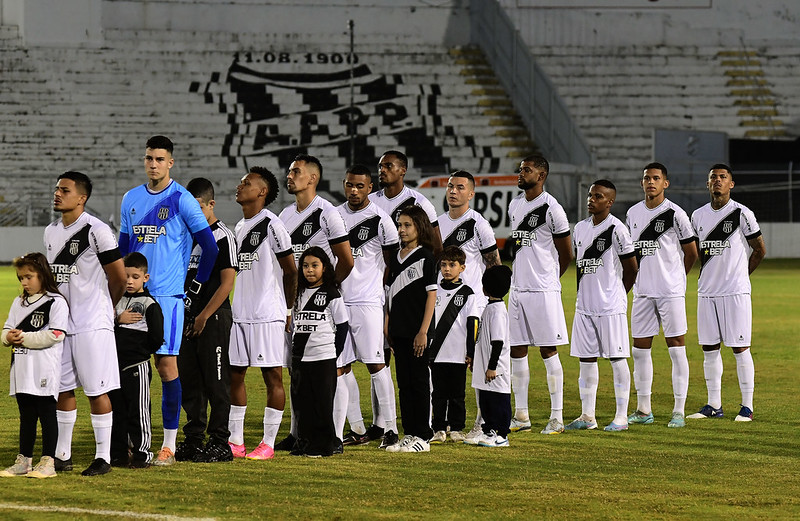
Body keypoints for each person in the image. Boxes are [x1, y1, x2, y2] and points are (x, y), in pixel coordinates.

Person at [118, 135, 219, 466]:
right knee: (130, 368)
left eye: (159, 159)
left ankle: (169, 446)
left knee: (166, 367)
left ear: (170, 162)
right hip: (134, 298)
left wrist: (193, 288)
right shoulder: (131, 199)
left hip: (167, 299)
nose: (153, 164)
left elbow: (210, 247)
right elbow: (121, 252)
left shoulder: (183, 199)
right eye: (149, 158)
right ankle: (132, 441)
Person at [45, 171, 127, 476]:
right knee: (62, 389)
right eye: (56, 189)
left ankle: (102, 457)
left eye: (64, 190)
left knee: (96, 390)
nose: (57, 194)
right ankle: (62, 455)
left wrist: (106, 308)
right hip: (63, 324)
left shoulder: (97, 230)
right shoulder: (51, 232)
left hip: (93, 323)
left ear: (82, 198)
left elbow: (118, 277)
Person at [276, 154, 354, 452]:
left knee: (334, 371)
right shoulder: (284, 216)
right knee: (298, 373)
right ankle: (298, 434)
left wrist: (326, 291)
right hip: (296, 304)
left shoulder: (327, 213)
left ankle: (332, 437)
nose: (290, 175)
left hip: (322, 305)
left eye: (296, 171)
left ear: (312, 178)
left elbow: (345, 260)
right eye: (290, 170)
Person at [228, 167, 297, 461]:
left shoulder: (272, 224)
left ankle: (268, 443)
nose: (240, 186)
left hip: (268, 313)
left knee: (273, 378)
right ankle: (236, 441)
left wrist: (289, 309)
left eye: (247, 183)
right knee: (234, 376)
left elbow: (290, 270)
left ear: (262, 191)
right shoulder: (238, 228)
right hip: (240, 313)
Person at [687, 164, 766, 422]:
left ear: (731, 184)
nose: (718, 181)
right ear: (707, 184)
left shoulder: (742, 213)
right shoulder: (697, 216)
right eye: (713, 178)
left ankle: (747, 406)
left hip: (735, 293)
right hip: (707, 292)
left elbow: (759, 250)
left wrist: (741, 277)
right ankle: (714, 405)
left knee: (740, 348)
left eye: (723, 177)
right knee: (709, 349)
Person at [625, 163, 698, 428]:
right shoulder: (632, 213)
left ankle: (678, 410)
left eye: (656, 178)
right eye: (647, 178)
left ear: (665, 183)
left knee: (677, 349)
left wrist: (677, 279)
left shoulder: (675, 213)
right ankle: (644, 409)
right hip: (643, 292)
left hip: (670, 292)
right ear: (642, 183)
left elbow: (691, 253)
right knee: (640, 350)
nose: (651, 182)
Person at [506, 156, 573, 437]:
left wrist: (548, 279)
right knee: (517, 350)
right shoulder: (515, 205)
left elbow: (566, 253)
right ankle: (521, 415)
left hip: (543, 291)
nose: (521, 174)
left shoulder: (552, 208)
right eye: (521, 169)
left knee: (548, 351)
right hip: (518, 289)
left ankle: (556, 417)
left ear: (542, 175)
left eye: (527, 170)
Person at [335, 164, 400, 447]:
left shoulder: (381, 220)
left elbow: (392, 263)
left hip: (368, 301)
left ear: (370, 188)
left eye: (360, 186)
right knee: (341, 367)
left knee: (376, 364)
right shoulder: (334, 215)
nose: (354, 190)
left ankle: (391, 429)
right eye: (350, 184)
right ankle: (359, 428)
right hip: (338, 301)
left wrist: (385, 301)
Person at [174, 178, 238, 464]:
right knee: (191, 382)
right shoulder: (186, 236)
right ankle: (194, 438)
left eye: (199, 206)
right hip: (188, 318)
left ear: (211, 204)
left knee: (217, 381)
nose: (194, 213)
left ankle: (221, 442)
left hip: (213, 318)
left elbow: (227, 283)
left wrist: (203, 316)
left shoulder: (223, 235)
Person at [566, 180, 638, 432]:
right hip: (584, 305)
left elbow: (631, 268)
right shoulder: (581, 228)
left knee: (617, 359)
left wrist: (617, 293)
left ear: (609, 202)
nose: (591, 200)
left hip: (610, 307)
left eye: (598, 196)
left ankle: (621, 417)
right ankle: (588, 416)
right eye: (589, 195)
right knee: (586, 360)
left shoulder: (617, 229)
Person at [437, 170, 500, 442]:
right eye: (450, 186)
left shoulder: (478, 225)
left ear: (471, 193)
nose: (453, 191)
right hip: (444, 304)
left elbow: (494, 264)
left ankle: (481, 422)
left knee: (476, 365)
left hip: (472, 308)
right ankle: (439, 422)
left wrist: (491, 302)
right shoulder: (436, 224)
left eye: (460, 187)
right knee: (441, 366)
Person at [0, 253, 68, 478]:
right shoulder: (18, 302)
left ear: (42, 274)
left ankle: (48, 463)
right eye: (21, 278)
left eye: (29, 277)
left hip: (43, 368)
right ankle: (24, 461)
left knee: (47, 413)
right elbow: (6, 329)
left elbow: (57, 334)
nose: (24, 282)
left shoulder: (55, 302)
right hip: (20, 368)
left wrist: (25, 338)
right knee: (26, 415)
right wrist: (8, 338)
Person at [384, 206, 438, 453]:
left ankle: (424, 437)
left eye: (407, 225)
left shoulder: (426, 257)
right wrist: (388, 326)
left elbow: (431, 296)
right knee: (404, 384)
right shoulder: (395, 257)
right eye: (400, 225)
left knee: (419, 382)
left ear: (419, 227)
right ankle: (410, 433)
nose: (402, 230)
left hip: (418, 332)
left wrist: (423, 331)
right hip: (399, 330)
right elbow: (389, 295)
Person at [290, 247, 349, 457]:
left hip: (323, 357)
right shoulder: (298, 293)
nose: (309, 270)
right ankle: (304, 443)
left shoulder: (332, 293)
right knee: (302, 403)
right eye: (305, 266)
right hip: (300, 358)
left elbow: (342, 326)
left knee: (322, 404)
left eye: (315, 265)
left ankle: (324, 445)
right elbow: (296, 325)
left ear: (324, 268)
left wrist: (334, 353)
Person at [110, 252, 164, 468]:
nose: (129, 281)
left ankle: (142, 454)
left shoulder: (150, 304)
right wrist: (117, 319)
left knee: (138, 411)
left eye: (135, 276)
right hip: (113, 366)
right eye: (126, 276)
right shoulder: (114, 300)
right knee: (117, 413)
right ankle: (120, 454)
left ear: (145, 278)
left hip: (137, 365)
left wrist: (141, 352)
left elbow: (157, 337)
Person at [429, 246, 479, 444]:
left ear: (462, 268)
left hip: (458, 353)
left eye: (452, 265)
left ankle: (457, 427)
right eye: (443, 265)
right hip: (437, 353)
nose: (447, 269)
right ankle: (439, 427)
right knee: (438, 394)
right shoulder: (433, 289)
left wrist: (471, 351)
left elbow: (473, 323)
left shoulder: (468, 293)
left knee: (457, 394)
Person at [466, 264, 513, 448]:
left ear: (486, 287)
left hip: (494, 370)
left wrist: (492, 366)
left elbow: (498, 342)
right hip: (485, 368)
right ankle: (489, 431)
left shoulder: (498, 312)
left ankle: (501, 435)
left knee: (499, 401)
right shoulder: (490, 308)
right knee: (486, 401)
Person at [370, 149, 442, 256]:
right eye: (380, 166)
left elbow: (437, 246)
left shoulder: (419, 202)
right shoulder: (369, 201)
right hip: (375, 269)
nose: (382, 170)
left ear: (403, 170)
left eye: (388, 166)